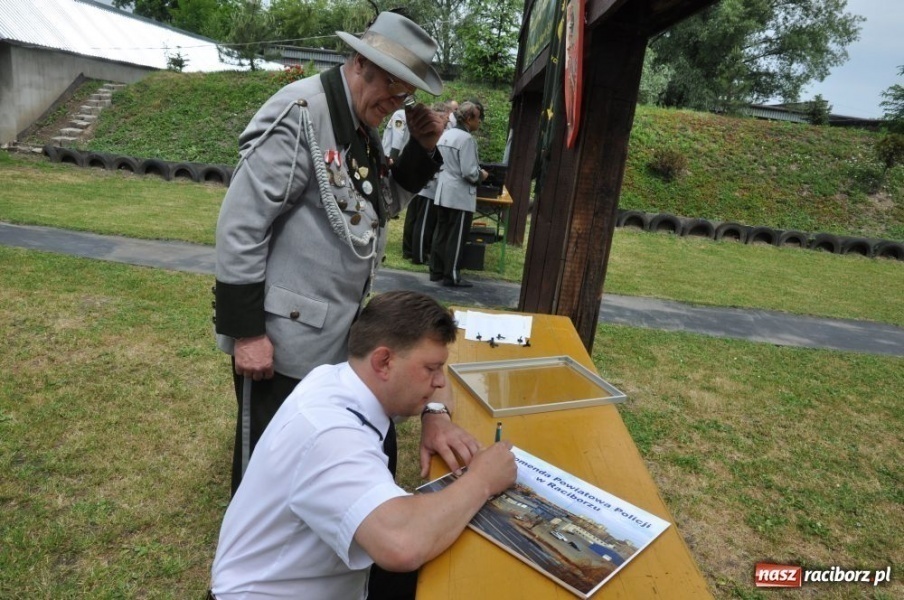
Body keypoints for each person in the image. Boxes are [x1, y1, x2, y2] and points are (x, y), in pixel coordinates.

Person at [213, 11, 451, 497]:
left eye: (407, 92)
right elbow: (241, 225)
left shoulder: (358, 123)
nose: (398, 102)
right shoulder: (303, 112)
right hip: (281, 340)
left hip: (330, 332)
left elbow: (376, 207)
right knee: (268, 466)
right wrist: (247, 332)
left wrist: (422, 147)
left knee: (309, 459)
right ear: (361, 62)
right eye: (393, 84)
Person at [209, 291, 517, 600]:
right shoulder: (330, 437)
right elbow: (401, 544)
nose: (439, 382)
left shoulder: (339, 378)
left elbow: (435, 381)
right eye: (431, 369)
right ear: (383, 361)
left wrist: (435, 414)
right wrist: (482, 480)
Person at [429, 101, 489, 287]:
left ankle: (436, 271)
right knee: (456, 236)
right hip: (460, 195)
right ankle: (452, 275)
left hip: (443, 189)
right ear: (469, 118)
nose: (479, 122)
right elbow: (469, 172)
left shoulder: (445, 135)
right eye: (478, 118)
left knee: (441, 233)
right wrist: (482, 175)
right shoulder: (467, 139)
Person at [402, 102, 448, 264]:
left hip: (425, 182)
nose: (445, 122)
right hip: (428, 184)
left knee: (415, 220)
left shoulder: (442, 134)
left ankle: (409, 250)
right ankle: (418, 255)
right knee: (422, 223)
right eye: (443, 118)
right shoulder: (435, 135)